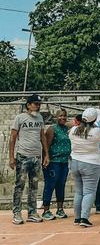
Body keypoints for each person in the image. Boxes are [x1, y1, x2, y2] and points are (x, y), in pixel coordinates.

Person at [9, 94, 49, 225]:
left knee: (34, 186)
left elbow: (42, 136)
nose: (38, 106)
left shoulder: (40, 118)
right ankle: (16, 213)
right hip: (23, 156)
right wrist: (11, 157)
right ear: (28, 105)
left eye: (39, 104)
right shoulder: (20, 118)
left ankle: (32, 212)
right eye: (35, 104)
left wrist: (46, 154)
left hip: (36, 157)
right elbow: (13, 137)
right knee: (19, 185)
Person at [69, 108, 100, 227]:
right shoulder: (96, 131)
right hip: (91, 163)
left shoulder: (73, 130)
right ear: (94, 119)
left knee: (79, 192)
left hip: (75, 162)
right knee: (89, 192)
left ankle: (77, 218)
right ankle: (84, 218)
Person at [42, 108, 71, 220]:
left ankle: (60, 209)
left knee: (61, 185)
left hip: (64, 162)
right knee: (50, 185)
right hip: (54, 162)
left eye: (64, 116)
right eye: (60, 116)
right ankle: (46, 210)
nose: (62, 118)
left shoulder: (66, 129)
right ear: (55, 117)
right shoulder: (52, 129)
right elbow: (46, 146)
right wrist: (46, 158)